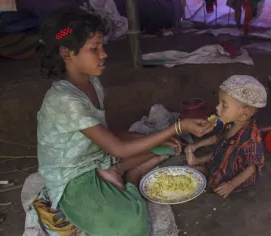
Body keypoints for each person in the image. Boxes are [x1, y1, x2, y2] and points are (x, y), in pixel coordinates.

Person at [33, 8, 213, 236]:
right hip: (73, 177)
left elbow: (107, 132)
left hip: (98, 156)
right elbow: (117, 147)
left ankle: (116, 172)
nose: (104, 54)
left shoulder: (93, 84)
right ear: (68, 55)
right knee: (130, 225)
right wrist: (175, 127)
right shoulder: (64, 99)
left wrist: (151, 137)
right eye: (94, 49)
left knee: (171, 147)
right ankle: (129, 176)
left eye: (102, 47)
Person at [185, 75, 266, 198]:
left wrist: (232, 184)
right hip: (224, 158)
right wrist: (196, 145)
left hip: (233, 175)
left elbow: (252, 167)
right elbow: (217, 138)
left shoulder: (251, 139)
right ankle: (199, 163)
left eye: (224, 105)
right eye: (219, 103)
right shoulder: (229, 123)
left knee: (216, 177)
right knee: (221, 148)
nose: (217, 108)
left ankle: (208, 172)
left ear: (244, 113)